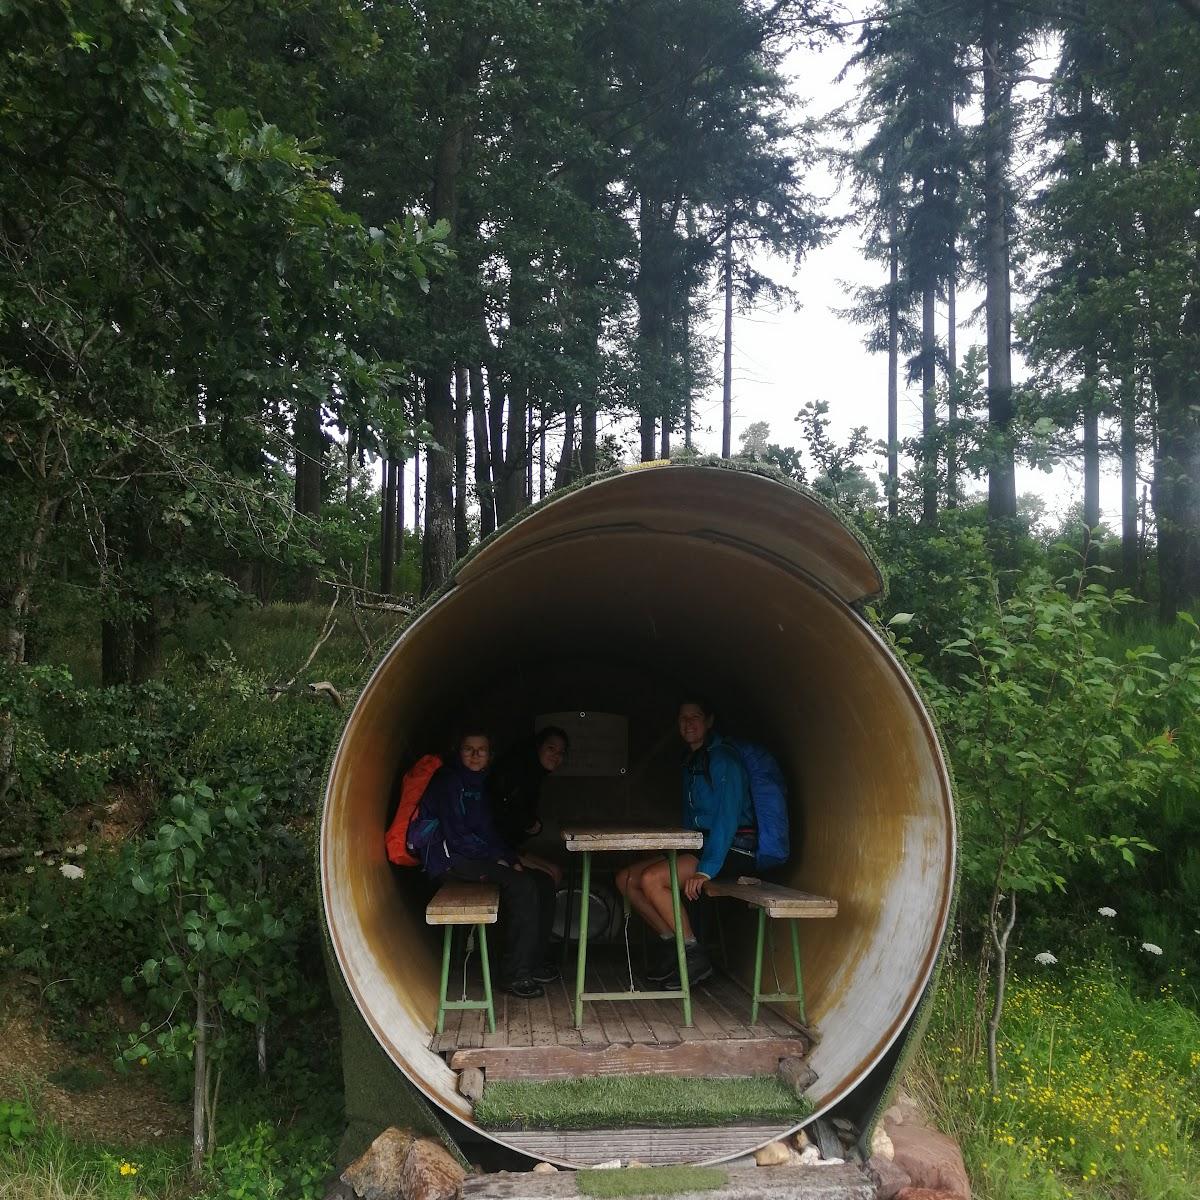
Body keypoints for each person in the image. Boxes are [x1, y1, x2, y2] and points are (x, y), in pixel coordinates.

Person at [615, 698, 754, 988]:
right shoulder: (693, 760)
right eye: (683, 718)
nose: (688, 723)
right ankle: (672, 945)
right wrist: (674, 850)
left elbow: (727, 819)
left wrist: (706, 870)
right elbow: (692, 819)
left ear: (710, 721)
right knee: (627, 879)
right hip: (701, 845)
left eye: (696, 717)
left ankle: (694, 955)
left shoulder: (723, 760)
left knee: (653, 879)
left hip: (731, 848)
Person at [412, 728, 556, 998]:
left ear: (490, 755)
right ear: (459, 751)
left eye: (482, 750)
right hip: (449, 861)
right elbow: (457, 837)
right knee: (522, 886)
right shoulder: (449, 781)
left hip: (471, 857)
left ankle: (533, 960)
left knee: (542, 882)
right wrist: (497, 859)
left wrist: (511, 858)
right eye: (469, 749)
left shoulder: (479, 782)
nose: (476, 755)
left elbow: (489, 832)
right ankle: (515, 974)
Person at [487, 726, 570, 982]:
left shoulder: (531, 772)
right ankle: (523, 962)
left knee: (553, 874)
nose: (556, 756)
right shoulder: (518, 769)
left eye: (561, 752)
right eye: (550, 748)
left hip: (507, 846)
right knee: (540, 884)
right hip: (494, 848)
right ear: (537, 747)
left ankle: (535, 957)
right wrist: (530, 824)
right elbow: (503, 810)